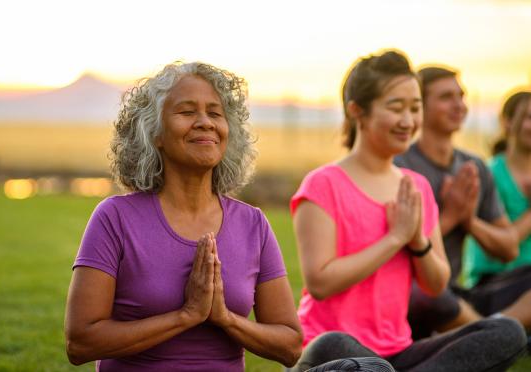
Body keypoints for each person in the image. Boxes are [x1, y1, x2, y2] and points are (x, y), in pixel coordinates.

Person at [289, 50, 527, 372]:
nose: (408, 121)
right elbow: (321, 282)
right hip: (334, 352)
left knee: (506, 332)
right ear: (357, 110)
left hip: (399, 352)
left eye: (415, 108)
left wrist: (418, 242)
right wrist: (395, 237)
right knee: (336, 344)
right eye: (395, 107)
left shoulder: (415, 187)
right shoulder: (323, 184)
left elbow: (436, 282)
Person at [64, 62, 303, 371]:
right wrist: (186, 315)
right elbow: (80, 342)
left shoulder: (253, 224)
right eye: (187, 112)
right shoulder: (115, 218)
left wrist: (225, 319)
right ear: (155, 132)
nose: (205, 122)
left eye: (215, 113)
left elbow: (291, 346)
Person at [394, 67, 529, 338]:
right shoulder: (399, 165)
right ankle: (495, 335)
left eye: (461, 96)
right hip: (417, 294)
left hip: (458, 295)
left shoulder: (474, 167)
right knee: (427, 296)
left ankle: (489, 331)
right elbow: (395, 252)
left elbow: (509, 249)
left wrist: (470, 222)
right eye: (446, 97)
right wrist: (451, 216)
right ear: (419, 105)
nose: (459, 105)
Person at [462, 90, 531, 329]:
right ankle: (490, 329)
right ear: (507, 122)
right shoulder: (489, 174)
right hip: (494, 280)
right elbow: (500, 247)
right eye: (528, 117)